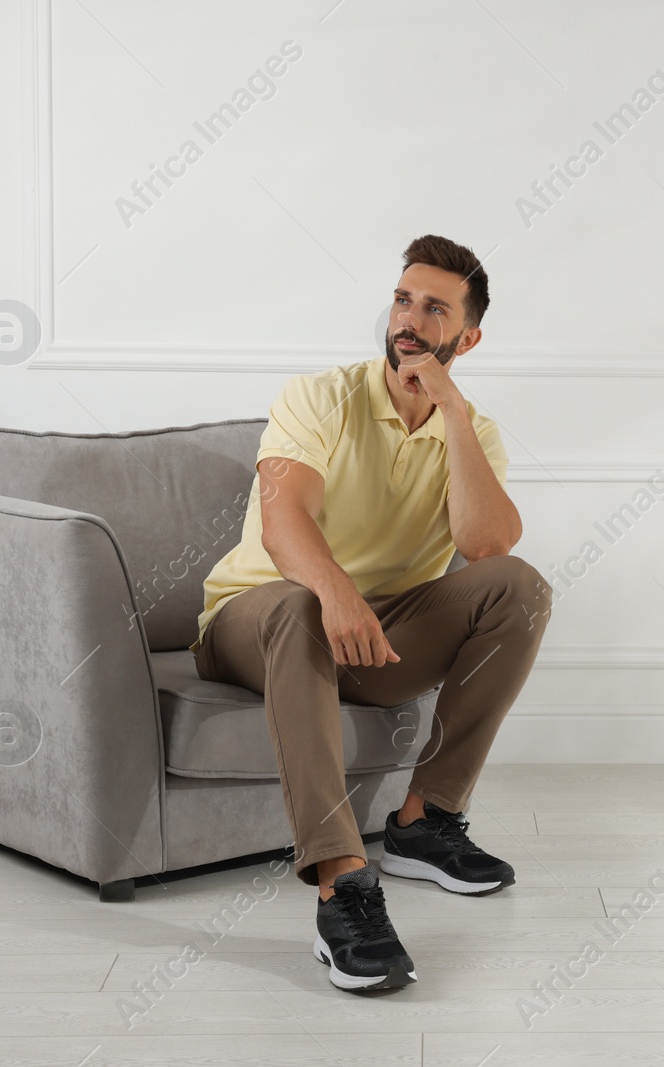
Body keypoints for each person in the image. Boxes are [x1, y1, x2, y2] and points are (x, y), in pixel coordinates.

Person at [191, 234, 552, 991]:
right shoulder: (319, 397)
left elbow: (487, 544)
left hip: (373, 641)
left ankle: (423, 822)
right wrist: (337, 592)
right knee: (297, 605)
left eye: (433, 307)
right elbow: (286, 521)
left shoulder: (472, 430)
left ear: (468, 336)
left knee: (519, 586)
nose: (408, 320)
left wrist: (451, 410)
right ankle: (343, 884)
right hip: (256, 620)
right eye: (401, 298)